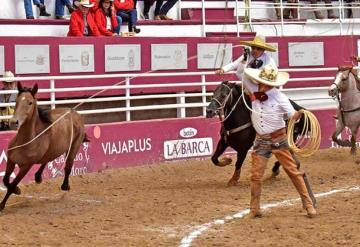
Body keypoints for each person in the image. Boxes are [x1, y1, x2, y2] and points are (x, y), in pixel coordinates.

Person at [242, 64, 317, 219]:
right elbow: (242, 75)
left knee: (293, 172)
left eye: (263, 82)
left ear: (269, 84)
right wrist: (246, 60)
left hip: (278, 139)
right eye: (260, 81)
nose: (260, 84)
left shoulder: (280, 97)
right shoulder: (256, 92)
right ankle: (254, 209)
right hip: (261, 140)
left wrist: (298, 115)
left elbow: (291, 115)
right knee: (256, 175)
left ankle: (308, 204)